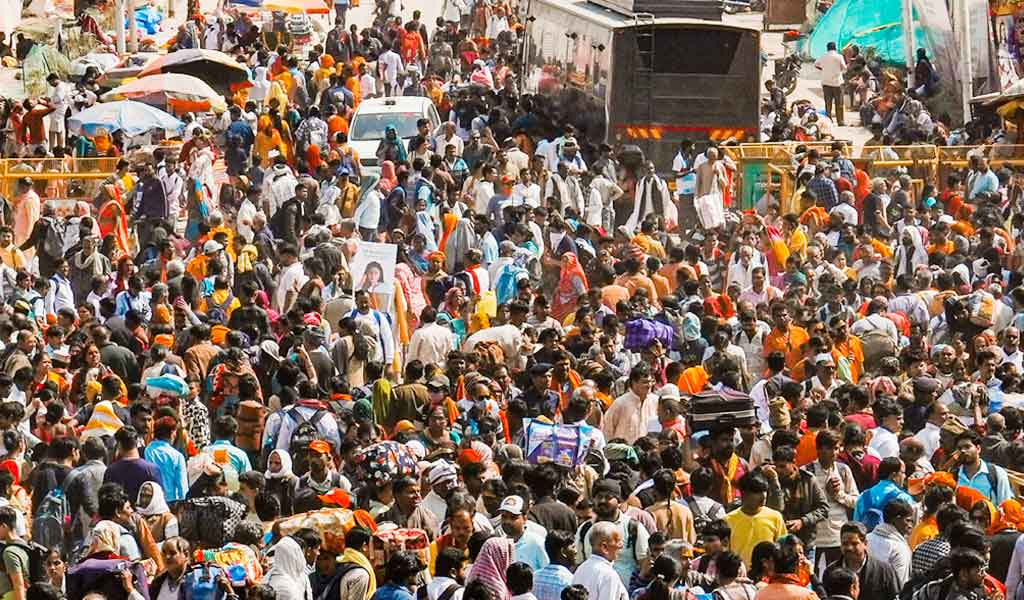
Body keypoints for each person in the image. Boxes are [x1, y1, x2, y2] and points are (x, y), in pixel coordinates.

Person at [827, 523, 900, 600]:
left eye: (854, 544)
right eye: (845, 543)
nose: (849, 548)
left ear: (865, 544)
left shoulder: (884, 571)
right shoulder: (830, 571)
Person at [573, 521, 628, 600]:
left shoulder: (581, 569)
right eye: (617, 541)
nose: (621, 545)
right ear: (604, 547)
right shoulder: (608, 575)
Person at [814, 42, 847, 126]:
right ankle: (840, 121)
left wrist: (823, 69)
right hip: (837, 83)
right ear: (835, 48)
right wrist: (839, 71)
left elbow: (816, 64)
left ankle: (828, 120)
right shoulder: (839, 56)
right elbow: (844, 68)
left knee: (828, 103)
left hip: (826, 82)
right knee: (839, 103)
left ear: (827, 48)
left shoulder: (823, 56)